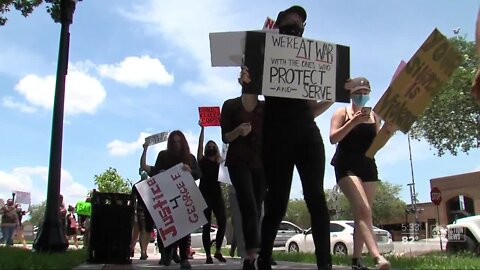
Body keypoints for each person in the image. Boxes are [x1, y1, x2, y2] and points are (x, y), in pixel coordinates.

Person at [238, 5, 334, 270]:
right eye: (290, 24)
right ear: (278, 28)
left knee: (316, 196)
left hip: (307, 135)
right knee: (277, 200)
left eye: (300, 25)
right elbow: (248, 106)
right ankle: (265, 257)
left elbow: (311, 109)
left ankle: (324, 264)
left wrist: (333, 94)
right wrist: (247, 82)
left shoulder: (309, 61)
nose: (296, 28)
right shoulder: (263, 57)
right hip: (276, 135)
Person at [329, 77, 391, 270]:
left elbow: (376, 145)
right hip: (346, 165)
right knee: (363, 209)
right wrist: (353, 122)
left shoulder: (374, 116)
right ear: (351, 94)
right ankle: (377, 257)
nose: (362, 95)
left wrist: (389, 132)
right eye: (358, 92)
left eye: (366, 92)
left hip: (368, 165)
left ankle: (356, 260)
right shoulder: (342, 112)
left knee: (362, 214)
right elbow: (333, 138)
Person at [140, 130, 201, 270]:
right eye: (174, 142)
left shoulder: (190, 158)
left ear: (184, 142)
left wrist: (189, 171)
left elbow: (198, 174)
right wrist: (145, 150)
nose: (177, 145)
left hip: (184, 196)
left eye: (179, 142)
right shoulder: (163, 156)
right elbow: (149, 169)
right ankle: (166, 252)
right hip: (167, 197)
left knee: (184, 228)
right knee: (167, 226)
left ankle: (184, 258)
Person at [221, 91, 266, 270]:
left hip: (262, 163)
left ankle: (254, 253)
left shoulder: (265, 107)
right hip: (238, 161)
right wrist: (238, 130)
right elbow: (225, 137)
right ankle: (251, 256)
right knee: (248, 204)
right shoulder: (230, 105)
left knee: (257, 206)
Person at [197, 121, 227, 264]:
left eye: (212, 146)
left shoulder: (219, 162)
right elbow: (199, 147)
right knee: (206, 226)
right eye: (208, 146)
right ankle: (208, 255)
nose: (210, 147)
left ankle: (218, 251)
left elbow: (226, 147)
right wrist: (202, 130)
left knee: (223, 222)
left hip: (216, 195)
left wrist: (224, 128)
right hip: (204, 195)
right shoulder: (202, 161)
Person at [131, 169, 153, 260]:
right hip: (141, 209)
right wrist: (134, 211)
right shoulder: (136, 186)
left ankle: (145, 250)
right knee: (143, 230)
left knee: (148, 230)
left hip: (151, 209)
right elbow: (133, 199)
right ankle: (143, 252)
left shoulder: (151, 184)